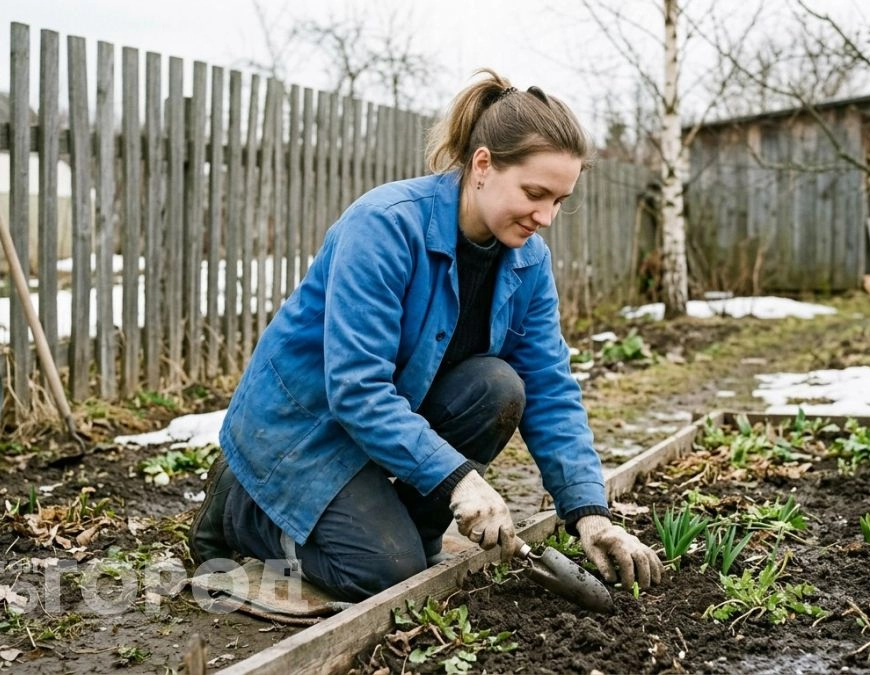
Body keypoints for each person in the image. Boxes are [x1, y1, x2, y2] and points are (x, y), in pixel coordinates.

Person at [188, 68, 662, 602]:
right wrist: (459, 479)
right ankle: (241, 510)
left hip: (383, 425)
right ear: (482, 165)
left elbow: (550, 388)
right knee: (385, 573)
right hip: (305, 428)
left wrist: (590, 514)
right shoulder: (385, 225)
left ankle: (407, 531)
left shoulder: (529, 261)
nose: (547, 216)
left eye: (559, 199)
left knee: (499, 387)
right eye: (535, 193)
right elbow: (356, 388)